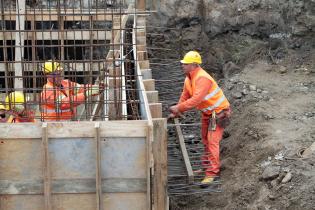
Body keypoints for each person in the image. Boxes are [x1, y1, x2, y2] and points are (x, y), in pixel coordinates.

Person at [168, 51, 231, 186]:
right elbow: (185, 96)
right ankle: (206, 166)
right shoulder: (189, 78)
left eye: (185, 64)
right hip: (208, 113)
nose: (182, 66)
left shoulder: (202, 78)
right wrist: (177, 110)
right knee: (205, 140)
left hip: (218, 113)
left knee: (212, 141)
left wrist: (179, 108)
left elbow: (196, 100)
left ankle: (212, 173)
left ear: (194, 64)